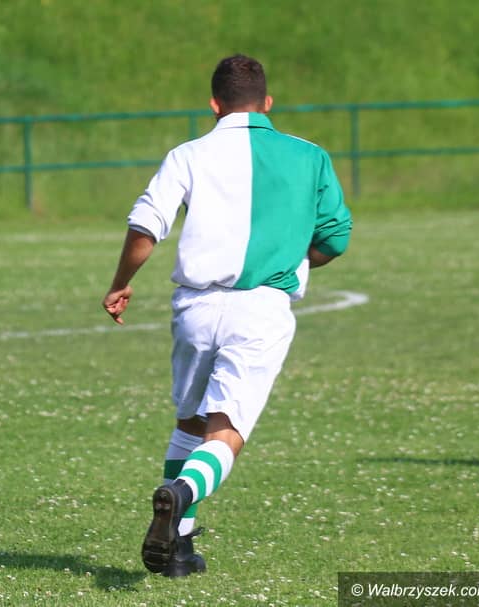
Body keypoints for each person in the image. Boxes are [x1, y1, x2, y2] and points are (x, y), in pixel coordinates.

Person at [102, 55, 353, 577]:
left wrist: (120, 282)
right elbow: (334, 239)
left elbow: (146, 226)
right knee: (224, 433)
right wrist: (291, 255)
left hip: (195, 308)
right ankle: (181, 494)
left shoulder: (188, 154)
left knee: (190, 424)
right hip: (260, 308)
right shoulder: (310, 156)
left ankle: (179, 550)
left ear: (214, 104)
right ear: (268, 103)